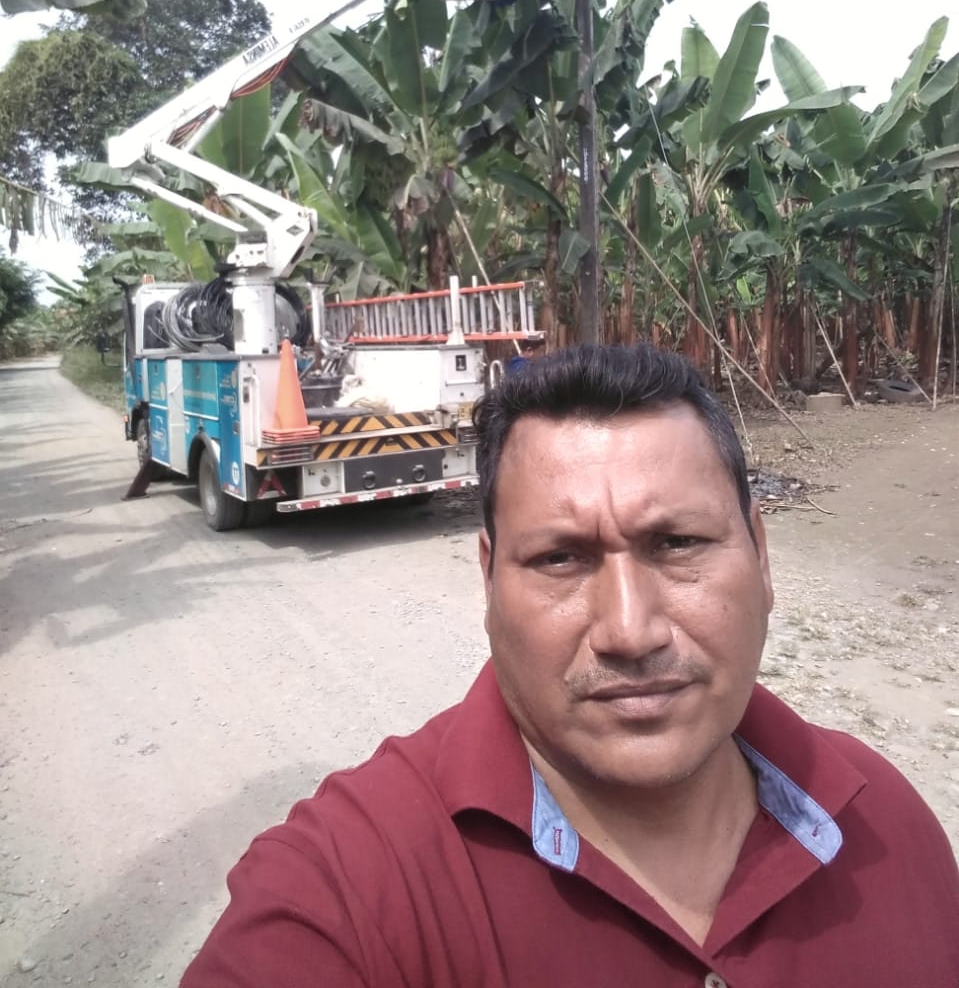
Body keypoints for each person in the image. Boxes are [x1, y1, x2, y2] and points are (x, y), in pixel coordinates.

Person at [181, 344, 959, 986]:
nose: (629, 631)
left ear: (760, 555)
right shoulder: (354, 887)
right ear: (488, 580)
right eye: (559, 558)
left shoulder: (882, 822)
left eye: (677, 544)